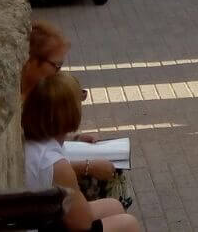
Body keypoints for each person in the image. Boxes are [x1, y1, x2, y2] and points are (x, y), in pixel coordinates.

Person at [24, 73, 142, 231]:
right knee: (128, 223)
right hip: (42, 224)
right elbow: (81, 223)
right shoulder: (58, 167)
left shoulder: (32, 138)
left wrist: (75, 139)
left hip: (38, 215)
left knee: (114, 206)